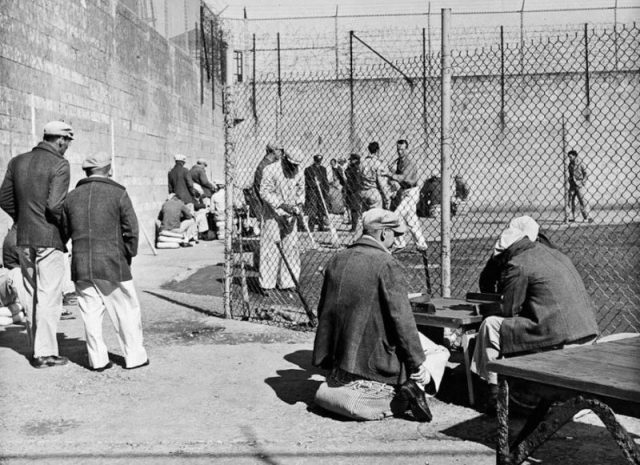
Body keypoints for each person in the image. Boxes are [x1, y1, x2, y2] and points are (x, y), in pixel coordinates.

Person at [312, 208, 450, 421]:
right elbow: (402, 320)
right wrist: (416, 362)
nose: (396, 241)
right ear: (384, 233)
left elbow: (324, 311)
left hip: (340, 354)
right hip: (373, 358)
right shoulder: (387, 264)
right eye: (395, 235)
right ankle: (415, 385)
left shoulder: (337, 259)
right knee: (439, 352)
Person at [471, 219, 599, 412]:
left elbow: (509, 310)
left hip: (558, 336)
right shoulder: (555, 254)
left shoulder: (517, 264)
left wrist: (486, 309)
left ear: (507, 252)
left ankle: (494, 391)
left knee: (490, 325)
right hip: (587, 331)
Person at [63, 151, 148, 371]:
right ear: (108, 169)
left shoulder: (71, 196)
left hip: (81, 263)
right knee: (126, 310)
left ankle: (98, 361)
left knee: (90, 313)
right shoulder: (118, 193)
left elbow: (65, 230)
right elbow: (132, 230)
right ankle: (135, 357)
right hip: (112, 262)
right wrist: (128, 254)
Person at [0, 120, 73, 368]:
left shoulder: (17, 161)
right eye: (67, 142)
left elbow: (4, 199)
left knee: (31, 295)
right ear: (61, 140)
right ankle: (44, 353)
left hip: (23, 236)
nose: (67, 147)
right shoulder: (60, 164)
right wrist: (64, 230)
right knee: (49, 296)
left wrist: (22, 219)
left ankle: (36, 347)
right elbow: (55, 206)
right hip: (49, 237)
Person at [258, 148, 305, 295]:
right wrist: (281, 204)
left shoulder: (299, 172)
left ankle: (289, 282)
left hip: (291, 215)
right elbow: (264, 192)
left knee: (291, 247)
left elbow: (301, 191)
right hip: (273, 214)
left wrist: (298, 205)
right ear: (284, 158)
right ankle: (267, 284)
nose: (293, 167)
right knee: (270, 248)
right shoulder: (270, 170)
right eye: (291, 164)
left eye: (296, 165)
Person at [384, 139, 428, 252]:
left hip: (411, 192)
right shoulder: (400, 162)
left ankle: (399, 243)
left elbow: (404, 178)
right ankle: (421, 244)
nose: (400, 152)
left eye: (402, 149)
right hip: (404, 192)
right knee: (411, 221)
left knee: (396, 216)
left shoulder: (409, 162)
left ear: (407, 149)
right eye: (398, 149)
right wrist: (392, 171)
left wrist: (389, 174)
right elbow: (398, 178)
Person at [304, 154, 330, 232]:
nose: (318, 163)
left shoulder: (323, 169)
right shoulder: (308, 169)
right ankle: (311, 227)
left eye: (320, 161)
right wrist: (314, 183)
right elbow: (307, 181)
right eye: (317, 161)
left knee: (321, 208)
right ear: (314, 160)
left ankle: (321, 226)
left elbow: (325, 180)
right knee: (312, 209)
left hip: (321, 191)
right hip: (312, 192)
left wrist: (326, 190)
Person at [360, 142, 387, 211]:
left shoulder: (362, 163)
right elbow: (381, 182)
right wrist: (386, 196)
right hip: (373, 191)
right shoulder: (377, 163)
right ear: (377, 151)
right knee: (376, 217)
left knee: (366, 218)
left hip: (363, 192)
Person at [566, 149, 592, 223]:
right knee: (570, 201)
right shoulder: (570, 165)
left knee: (582, 201)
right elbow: (570, 174)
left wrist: (583, 182)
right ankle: (571, 217)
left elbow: (586, 173)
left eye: (570, 157)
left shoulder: (581, 163)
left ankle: (587, 217)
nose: (569, 158)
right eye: (569, 157)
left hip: (580, 184)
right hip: (572, 185)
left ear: (575, 156)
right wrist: (570, 179)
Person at [344, 153, 363, 232]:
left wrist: (353, 189)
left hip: (355, 191)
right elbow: (346, 173)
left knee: (354, 209)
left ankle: (354, 226)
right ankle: (353, 225)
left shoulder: (356, 168)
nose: (350, 161)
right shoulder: (351, 167)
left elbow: (357, 181)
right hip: (350, 190)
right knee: (352, 208)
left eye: (351, 160)